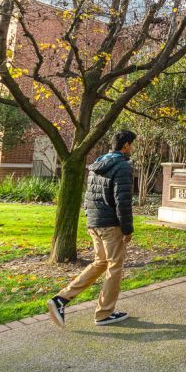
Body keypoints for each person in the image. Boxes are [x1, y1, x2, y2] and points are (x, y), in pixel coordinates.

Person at [47, 130, 136, 328]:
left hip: (94, 223)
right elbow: (123, 201)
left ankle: (61, 299)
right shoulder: (122, 166)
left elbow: (88, 196)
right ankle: (104, 313)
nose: (133, 148)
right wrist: (127, 229)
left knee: (100, 262)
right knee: (115, 267)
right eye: (132, 144)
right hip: (110, 225)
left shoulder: (98, 163)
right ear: (126, 145)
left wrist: (90, 218)